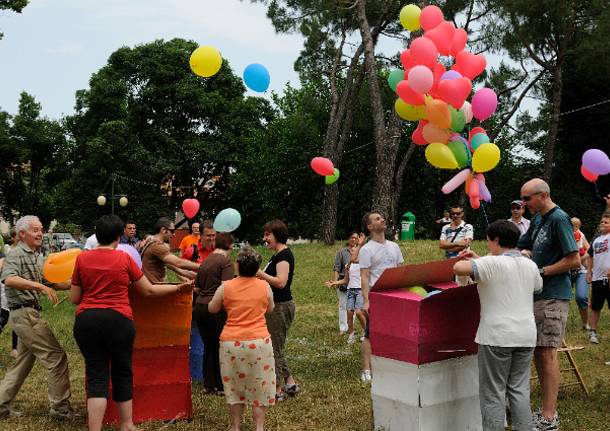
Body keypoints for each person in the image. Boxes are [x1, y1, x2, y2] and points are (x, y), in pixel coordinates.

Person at [70, 214, 192, 431]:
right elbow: (149, 290)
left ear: (96, 235)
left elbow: (75, 298)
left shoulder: (81, 259)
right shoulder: (124, 259)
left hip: (87, 321)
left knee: (97, 376)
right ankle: (127, 425)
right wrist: (178, 288)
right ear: (119, 236)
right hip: (119, 321)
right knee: (122, 372)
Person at [454, 220, 542, 431]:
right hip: (526, 336)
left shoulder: (491, 263)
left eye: (488, 241)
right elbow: (538, 286)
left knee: (493, 393)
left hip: (496, 336)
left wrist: (479, 260)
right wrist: (483, 260)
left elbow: (458, 267)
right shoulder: (529, 264)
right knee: (519, 390)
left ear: (496, 240)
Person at [0, 215, 78, 420]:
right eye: (35, 230)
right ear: (22, 234)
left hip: (27, 313)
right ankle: (60, 409)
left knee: (22, 363)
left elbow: (51, 282)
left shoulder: (37, 255)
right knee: (56, 357)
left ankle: (0, 406)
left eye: (41, 229)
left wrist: (75, 283)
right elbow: (9, 279)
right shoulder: (16, 254)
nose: (40, 233)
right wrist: (39, 286)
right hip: (25, 314)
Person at [516, 178, 579, 431]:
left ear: (542, 196)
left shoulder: (558, 218)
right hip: (537, 295)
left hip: (553, 295)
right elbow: (523, 244)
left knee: (546, 353)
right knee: (538, 352)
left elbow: (573, 260)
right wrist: (521, 253)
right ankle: (545, 410)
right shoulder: (539, 219)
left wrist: (540, 271)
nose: (524, 203)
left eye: (527, 199)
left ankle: (550, 417)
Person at [209, 246, 275, 431]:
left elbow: (212, 308)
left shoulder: (226, 286)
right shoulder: (264, 286)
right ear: (257, 268)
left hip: (231, 343)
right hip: (259, 342)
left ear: (237, 265)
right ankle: (259, 427)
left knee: (234, 386)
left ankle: (235, 426)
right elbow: (270, 308)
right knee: (259, 384)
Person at [256, 219, 298, 401]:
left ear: (277, 235)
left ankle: (277, 388)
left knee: (274, 348)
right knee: (276, 346)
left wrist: (260, 274)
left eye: (268, 235)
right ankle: (290, 382)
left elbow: (281, 282)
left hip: (280, 307)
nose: (265, 238)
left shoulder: (283, 256)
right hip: (275, 306)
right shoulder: (277, 255)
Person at [359, 211, 404, 382]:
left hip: (395, 297)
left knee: (395, 333)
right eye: (377, 219)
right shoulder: (366, 249)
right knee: (370, 333)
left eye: (382, 217)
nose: (382, 219)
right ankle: (366, 370)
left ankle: (391, 365)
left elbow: (400, 272)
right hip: (378, 297)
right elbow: (364, 276)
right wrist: (366, 300)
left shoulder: (394, 246)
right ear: (370, 227)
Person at [193, 232, 235, 395]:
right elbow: (226, 287)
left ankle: (208, 384)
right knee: (219, 346)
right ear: (229, 245)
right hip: (216, 309)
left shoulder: (206, 261)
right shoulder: (225, 262)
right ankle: (220, 385)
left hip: (200, 307)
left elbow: (196, 288)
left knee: (208, 346)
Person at [140, 217, 200, 283]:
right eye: (172, 231)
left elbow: (179, 270)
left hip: (153, 285)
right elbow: (178, 263)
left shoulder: (152, 243)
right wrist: (203, 267)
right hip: (152, 288)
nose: (174, 234)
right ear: (163, 230)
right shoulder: (156, 245)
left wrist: (201, 276)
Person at [326, 246, 367, 344]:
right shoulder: (348, 266)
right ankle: (351, 334)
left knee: (358, 312)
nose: (352, 254)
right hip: (350, 291)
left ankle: (367, 332)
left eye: (354, 252)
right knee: (349, 313)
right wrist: (334, 283)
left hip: (360, 291)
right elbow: (345, 280)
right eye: (351, 252)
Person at [585, 213, 610, 345]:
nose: (602, 224)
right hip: (598, 278)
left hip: (609, 278)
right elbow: (590, 256)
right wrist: (589, 271)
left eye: (606, 222)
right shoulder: (597, 240)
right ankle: (593, 333)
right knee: (595, 306)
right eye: (602, 222)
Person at [330, 231, 361, 335]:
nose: (353, 240)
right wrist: (336, 282)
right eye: (351, 237)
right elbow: (336, 268)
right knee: (343, 305)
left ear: (358, 240)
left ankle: (350, 327)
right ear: (348, 239)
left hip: (356, 283)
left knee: (353, 307)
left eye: (356, 238)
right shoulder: (341, 252)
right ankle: (343, 328)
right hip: (343, 281)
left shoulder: (361, 252)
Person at [571, 217, 591, 330]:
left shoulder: (581, 235)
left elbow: (590, 250)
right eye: (571, 226)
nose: (573, 228)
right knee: (561, 298)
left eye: (575, 226)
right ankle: (559, 324)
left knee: (581, 297)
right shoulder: (563, 235)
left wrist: (582, 259)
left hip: (581, 270)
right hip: (566, 271)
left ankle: (585, 323)